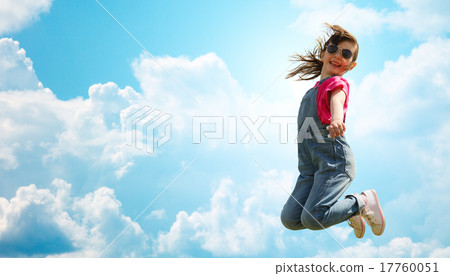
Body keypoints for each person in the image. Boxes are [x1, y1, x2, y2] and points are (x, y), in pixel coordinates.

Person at [280, 23, 385, 238]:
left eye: (346, 54)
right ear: (323, 53)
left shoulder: (337, 83)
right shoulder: (312, 91)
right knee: (290, 218)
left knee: (313, 217)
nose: (338, 55)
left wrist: (337, 118)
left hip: (334, 163)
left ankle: (362, 202)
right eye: (333, 49)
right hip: (310, 169)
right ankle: (347, 211)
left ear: (351, 65)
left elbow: (338, 98)